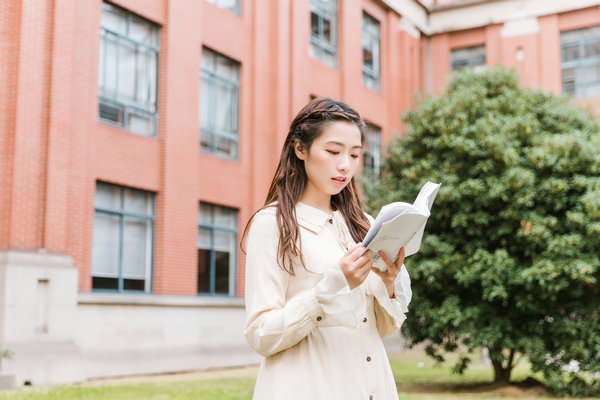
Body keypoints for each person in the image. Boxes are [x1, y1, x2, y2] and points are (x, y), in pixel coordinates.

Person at [242, 97, 412, 400]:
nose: (345, 165)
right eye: (333, 151)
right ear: (301, 149)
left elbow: (382, 329)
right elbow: (261, 335)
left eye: (355, 154)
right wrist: (332, 287)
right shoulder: (273, 224)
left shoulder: (364, 225)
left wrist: (389, 283)